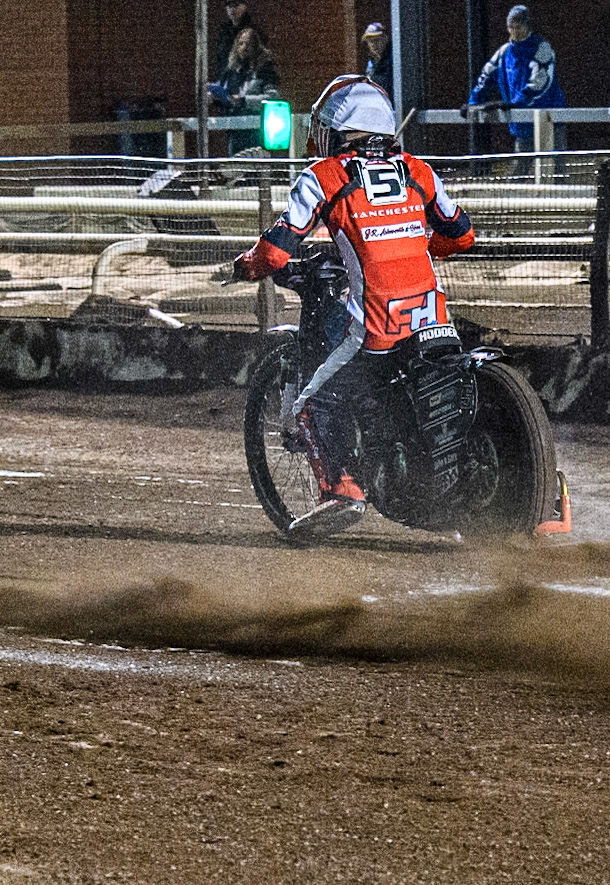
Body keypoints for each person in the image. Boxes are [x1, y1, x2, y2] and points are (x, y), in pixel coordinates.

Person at [233, 77, 476, 537]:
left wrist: (246, 266)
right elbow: (462, 234)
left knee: (309, 402)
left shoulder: (324, 177)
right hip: (432, 321)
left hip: (376, 328)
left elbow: (276, 254)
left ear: (343, 130)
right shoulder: (419, 171)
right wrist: (416, 247)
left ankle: (342, 491)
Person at [466, 6, 567, 157]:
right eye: (510, 27)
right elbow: (485, 78)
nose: (514, 31)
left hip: (549, 121)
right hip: (522, 124)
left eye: (518, 27)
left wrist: (515, 103)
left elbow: (540, 82)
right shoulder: (504, 53)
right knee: (518, 172)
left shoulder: (541, 47)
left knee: (556, 172)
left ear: (527, 26)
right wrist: (473, 102)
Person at [208, 27, 280, 151]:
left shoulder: (265, 70)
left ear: (256, 46)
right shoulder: (232, 72)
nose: (244, 47)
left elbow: (272, 97)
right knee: (236, 167)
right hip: (235, 132)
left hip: (257, 132)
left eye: (248, 43)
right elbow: (228, 98)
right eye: (241, 43)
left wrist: (244, 101)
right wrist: (216, 99)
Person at [213, 0, 265, 80]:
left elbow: (259, 58)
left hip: (246, 80)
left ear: (245, 6)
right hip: (225, 79)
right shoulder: (223, 30)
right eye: (229, 6)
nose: (232, 9)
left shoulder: (254, 30)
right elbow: (220, 58)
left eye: (236, 5)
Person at [361, 21, 394, 94]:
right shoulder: (372, 61)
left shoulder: (393, 57)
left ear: (385, 39)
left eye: (376, 40)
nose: (373, 44)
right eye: (370, 41)